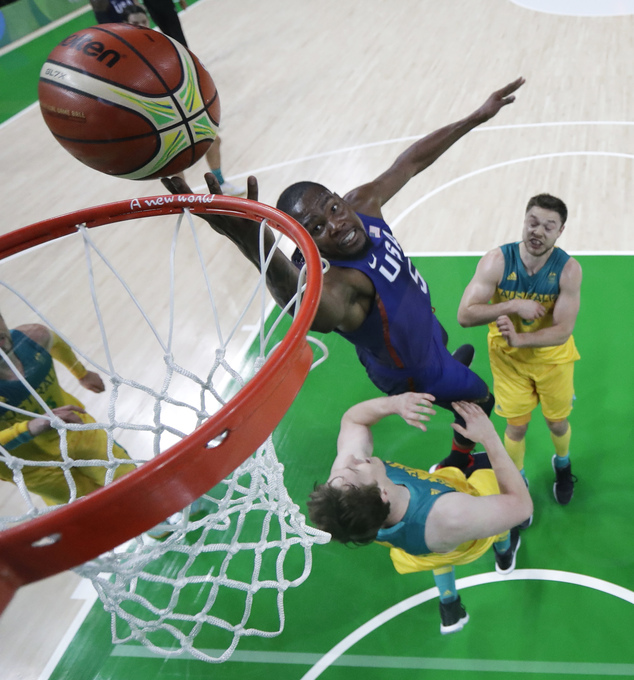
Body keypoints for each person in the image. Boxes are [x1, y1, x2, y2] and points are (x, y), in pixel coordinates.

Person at [162, 77, 526, 470]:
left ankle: (448, 366)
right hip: (412, 372)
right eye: (316, 228)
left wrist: (476, 116)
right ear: (307, 243)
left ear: (339, 198)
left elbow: (412, 162)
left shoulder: (362, 204)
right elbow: (309, 310)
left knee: (437, 334)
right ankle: (460, 458)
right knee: (482, 400)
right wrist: (254, 243)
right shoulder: (337, 282)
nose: (335, 224)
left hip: (417, 335)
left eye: (332, 208)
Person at [306, 395, 532, 634]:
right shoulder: (450, 515)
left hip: (424, 546)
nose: (349, 459)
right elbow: (520, 507)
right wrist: (489, 437)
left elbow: (353, 421)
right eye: (355, 467)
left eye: (340, 471)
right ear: (382, 493)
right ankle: (505, 554)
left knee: (439, 557)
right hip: (457, 532)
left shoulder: (352, 498)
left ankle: (449, 606)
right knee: (495, 509)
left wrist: (394, 404)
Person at [456, 193, 581, 507]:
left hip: (552, 360)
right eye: (533, 222)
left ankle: (563, 465)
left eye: (548, 227)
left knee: (557, 422)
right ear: (524, 221)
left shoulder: (568, 270)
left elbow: (563, 330)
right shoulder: (497, 261)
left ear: (560, 231)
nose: (537, 231)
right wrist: (512, 305)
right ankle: (518, 480)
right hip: (508, 362)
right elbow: (465, 314)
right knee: (517, 425)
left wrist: (521, 340)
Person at [0, 313, 135, 506]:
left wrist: (81, 373)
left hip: (73, 427)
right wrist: (28, 427)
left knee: (127, 476)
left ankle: (163, 516)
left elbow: (55, 342)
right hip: (31, 465)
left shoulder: (33, 338)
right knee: (91, 506)